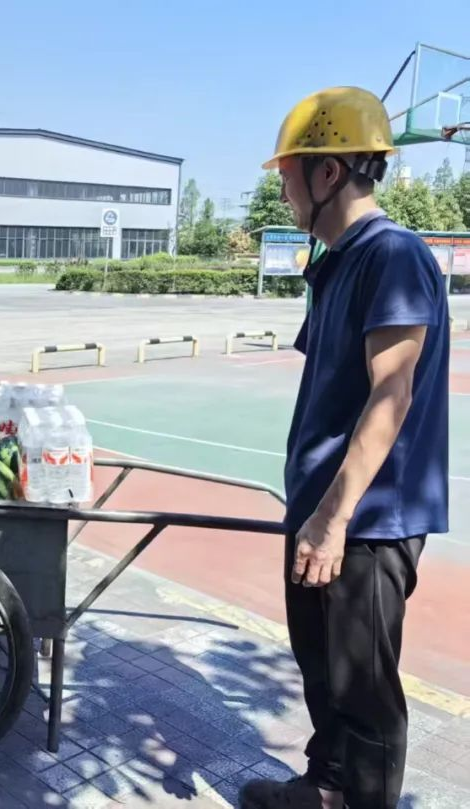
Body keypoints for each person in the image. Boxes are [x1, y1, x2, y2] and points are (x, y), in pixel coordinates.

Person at [240, 87, 450, 809]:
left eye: (289, 174)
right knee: (323, 668)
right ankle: (326, 787)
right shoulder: (337, 261)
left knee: (363, 689)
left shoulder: (393, 255)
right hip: (323, 509)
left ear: (328, 172)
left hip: (367, 517)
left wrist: (333, 517)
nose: (283, 190)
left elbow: (392, 394)